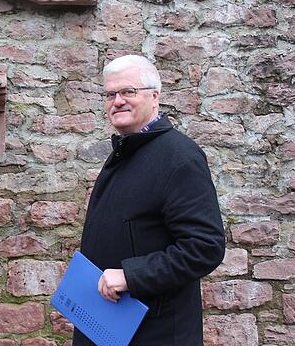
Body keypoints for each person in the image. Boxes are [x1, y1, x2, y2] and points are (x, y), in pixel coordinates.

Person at [74, 55, 225, 346]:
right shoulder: (126, 150)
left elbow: (205, 247)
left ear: (155, 96)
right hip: (108, 323)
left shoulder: (179, 157)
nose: (117, 101)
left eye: (128, 91)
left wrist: (131, 276)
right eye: (110, 94)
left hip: (153, 332)